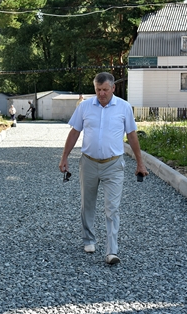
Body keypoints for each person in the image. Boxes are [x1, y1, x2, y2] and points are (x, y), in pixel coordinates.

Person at [59, 72, 148, 265]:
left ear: (113, 88)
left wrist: (140, 162)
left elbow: (132, 136)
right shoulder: (85, 107)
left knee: (112, 208)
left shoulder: (124, 108)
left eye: (105, 89)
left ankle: (111, 251)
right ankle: (89, 239)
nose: (101, 94)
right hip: (89, 163)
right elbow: (74, 132)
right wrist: (64, 157)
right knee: (87, 204)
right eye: (98, 90)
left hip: (114, 165)